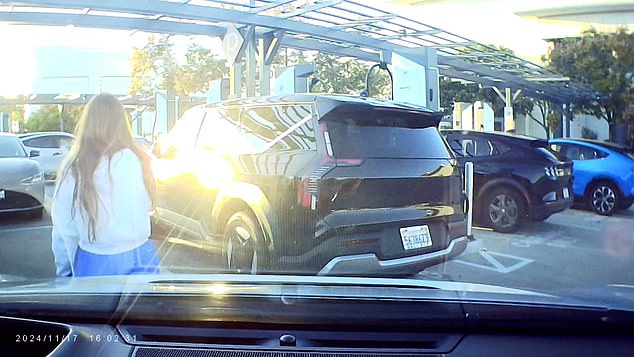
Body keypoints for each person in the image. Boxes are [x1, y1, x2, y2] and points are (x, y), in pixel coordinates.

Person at [51, 93, 160, 277]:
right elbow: (147, 206)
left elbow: (64, 229)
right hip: (142, 257)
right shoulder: (140, 160)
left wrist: (65, 271)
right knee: (144, 307)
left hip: (95, 262)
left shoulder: (75, 167)